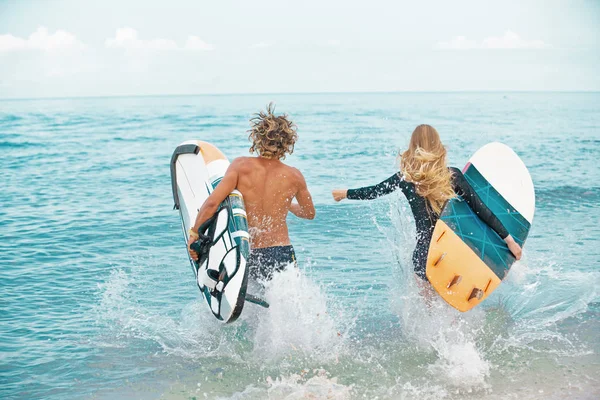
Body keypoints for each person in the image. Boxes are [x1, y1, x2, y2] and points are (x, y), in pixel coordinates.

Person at [331, 124, 522, 282]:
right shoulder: (451, 176)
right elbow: (481, 210)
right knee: (451, 310)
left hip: (423, 257)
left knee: (428, 313)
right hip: (449, 253)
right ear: (437, 146)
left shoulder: (404, 179)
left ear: (413, 147)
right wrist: (510, 241)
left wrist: (345, 193)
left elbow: (373, 191)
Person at [188, 103, 315, 281]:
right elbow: (309, 213)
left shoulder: (241, 166)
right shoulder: (295, 176)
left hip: (250, 252)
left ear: (257, 138)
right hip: (282, 251)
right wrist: (289, 206)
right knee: (285, 304)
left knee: (251, 305)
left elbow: (212, 203)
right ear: (287, 143)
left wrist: (194, 234)